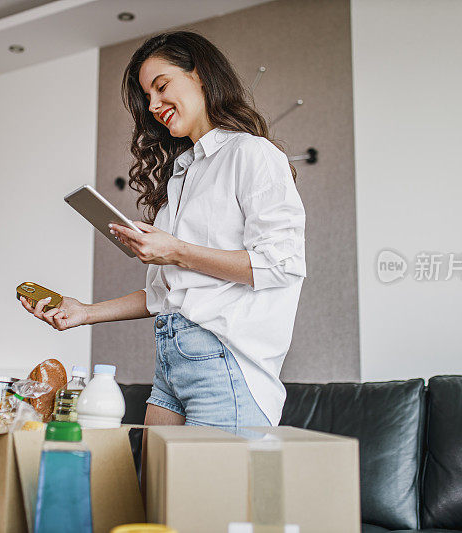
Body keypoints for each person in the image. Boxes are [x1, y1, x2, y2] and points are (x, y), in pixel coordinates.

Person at [21, 31, 306, 429]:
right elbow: (164, 294)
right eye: (147, 97)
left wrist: (174, 250)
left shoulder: (251, 154)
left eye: (161, 86)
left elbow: (281, 266)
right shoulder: (182, 179)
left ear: (201, 76)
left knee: (201, 493)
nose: (153, 105)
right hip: (171, 363)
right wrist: (85, 312)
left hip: (225, 364)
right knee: (152, 489)